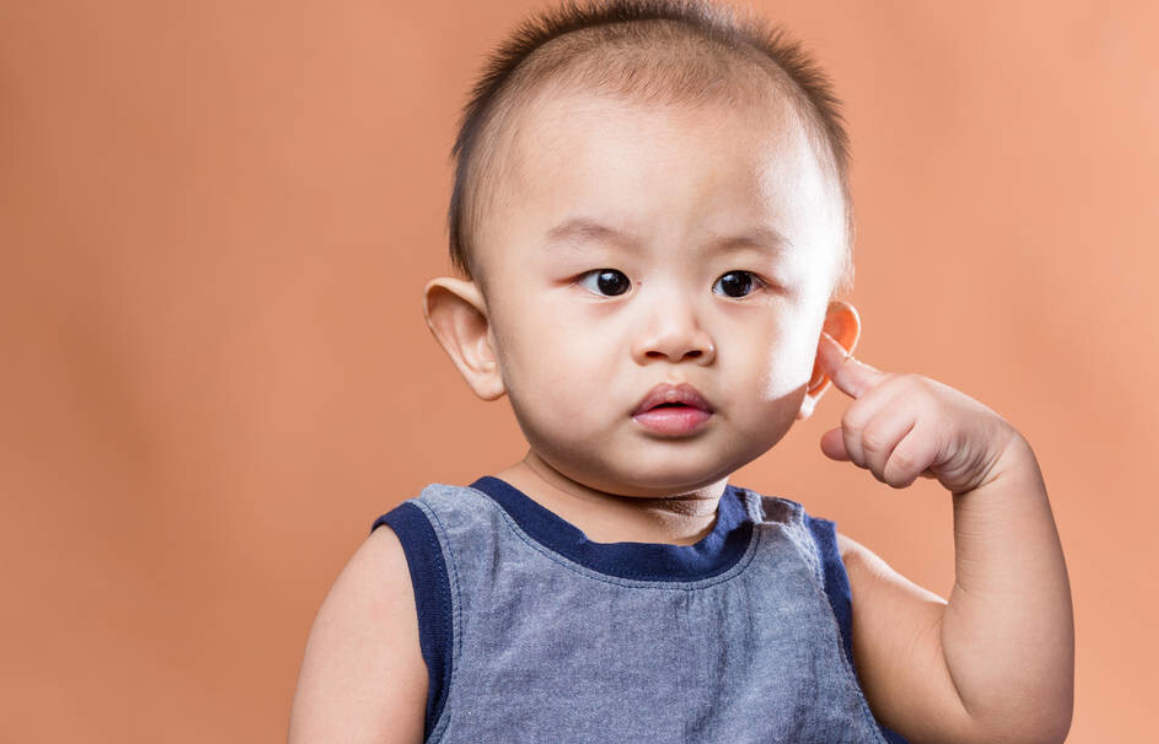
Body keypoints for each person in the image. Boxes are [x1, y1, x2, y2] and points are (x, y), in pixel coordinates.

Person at [288, 1, 1074, 742]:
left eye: (737, 284)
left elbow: (1003, 722)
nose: (675, 335)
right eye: (608, 281)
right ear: (480, 336)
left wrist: (995, 477)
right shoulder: (432, 576)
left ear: (816, 357)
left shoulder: (813, 583)